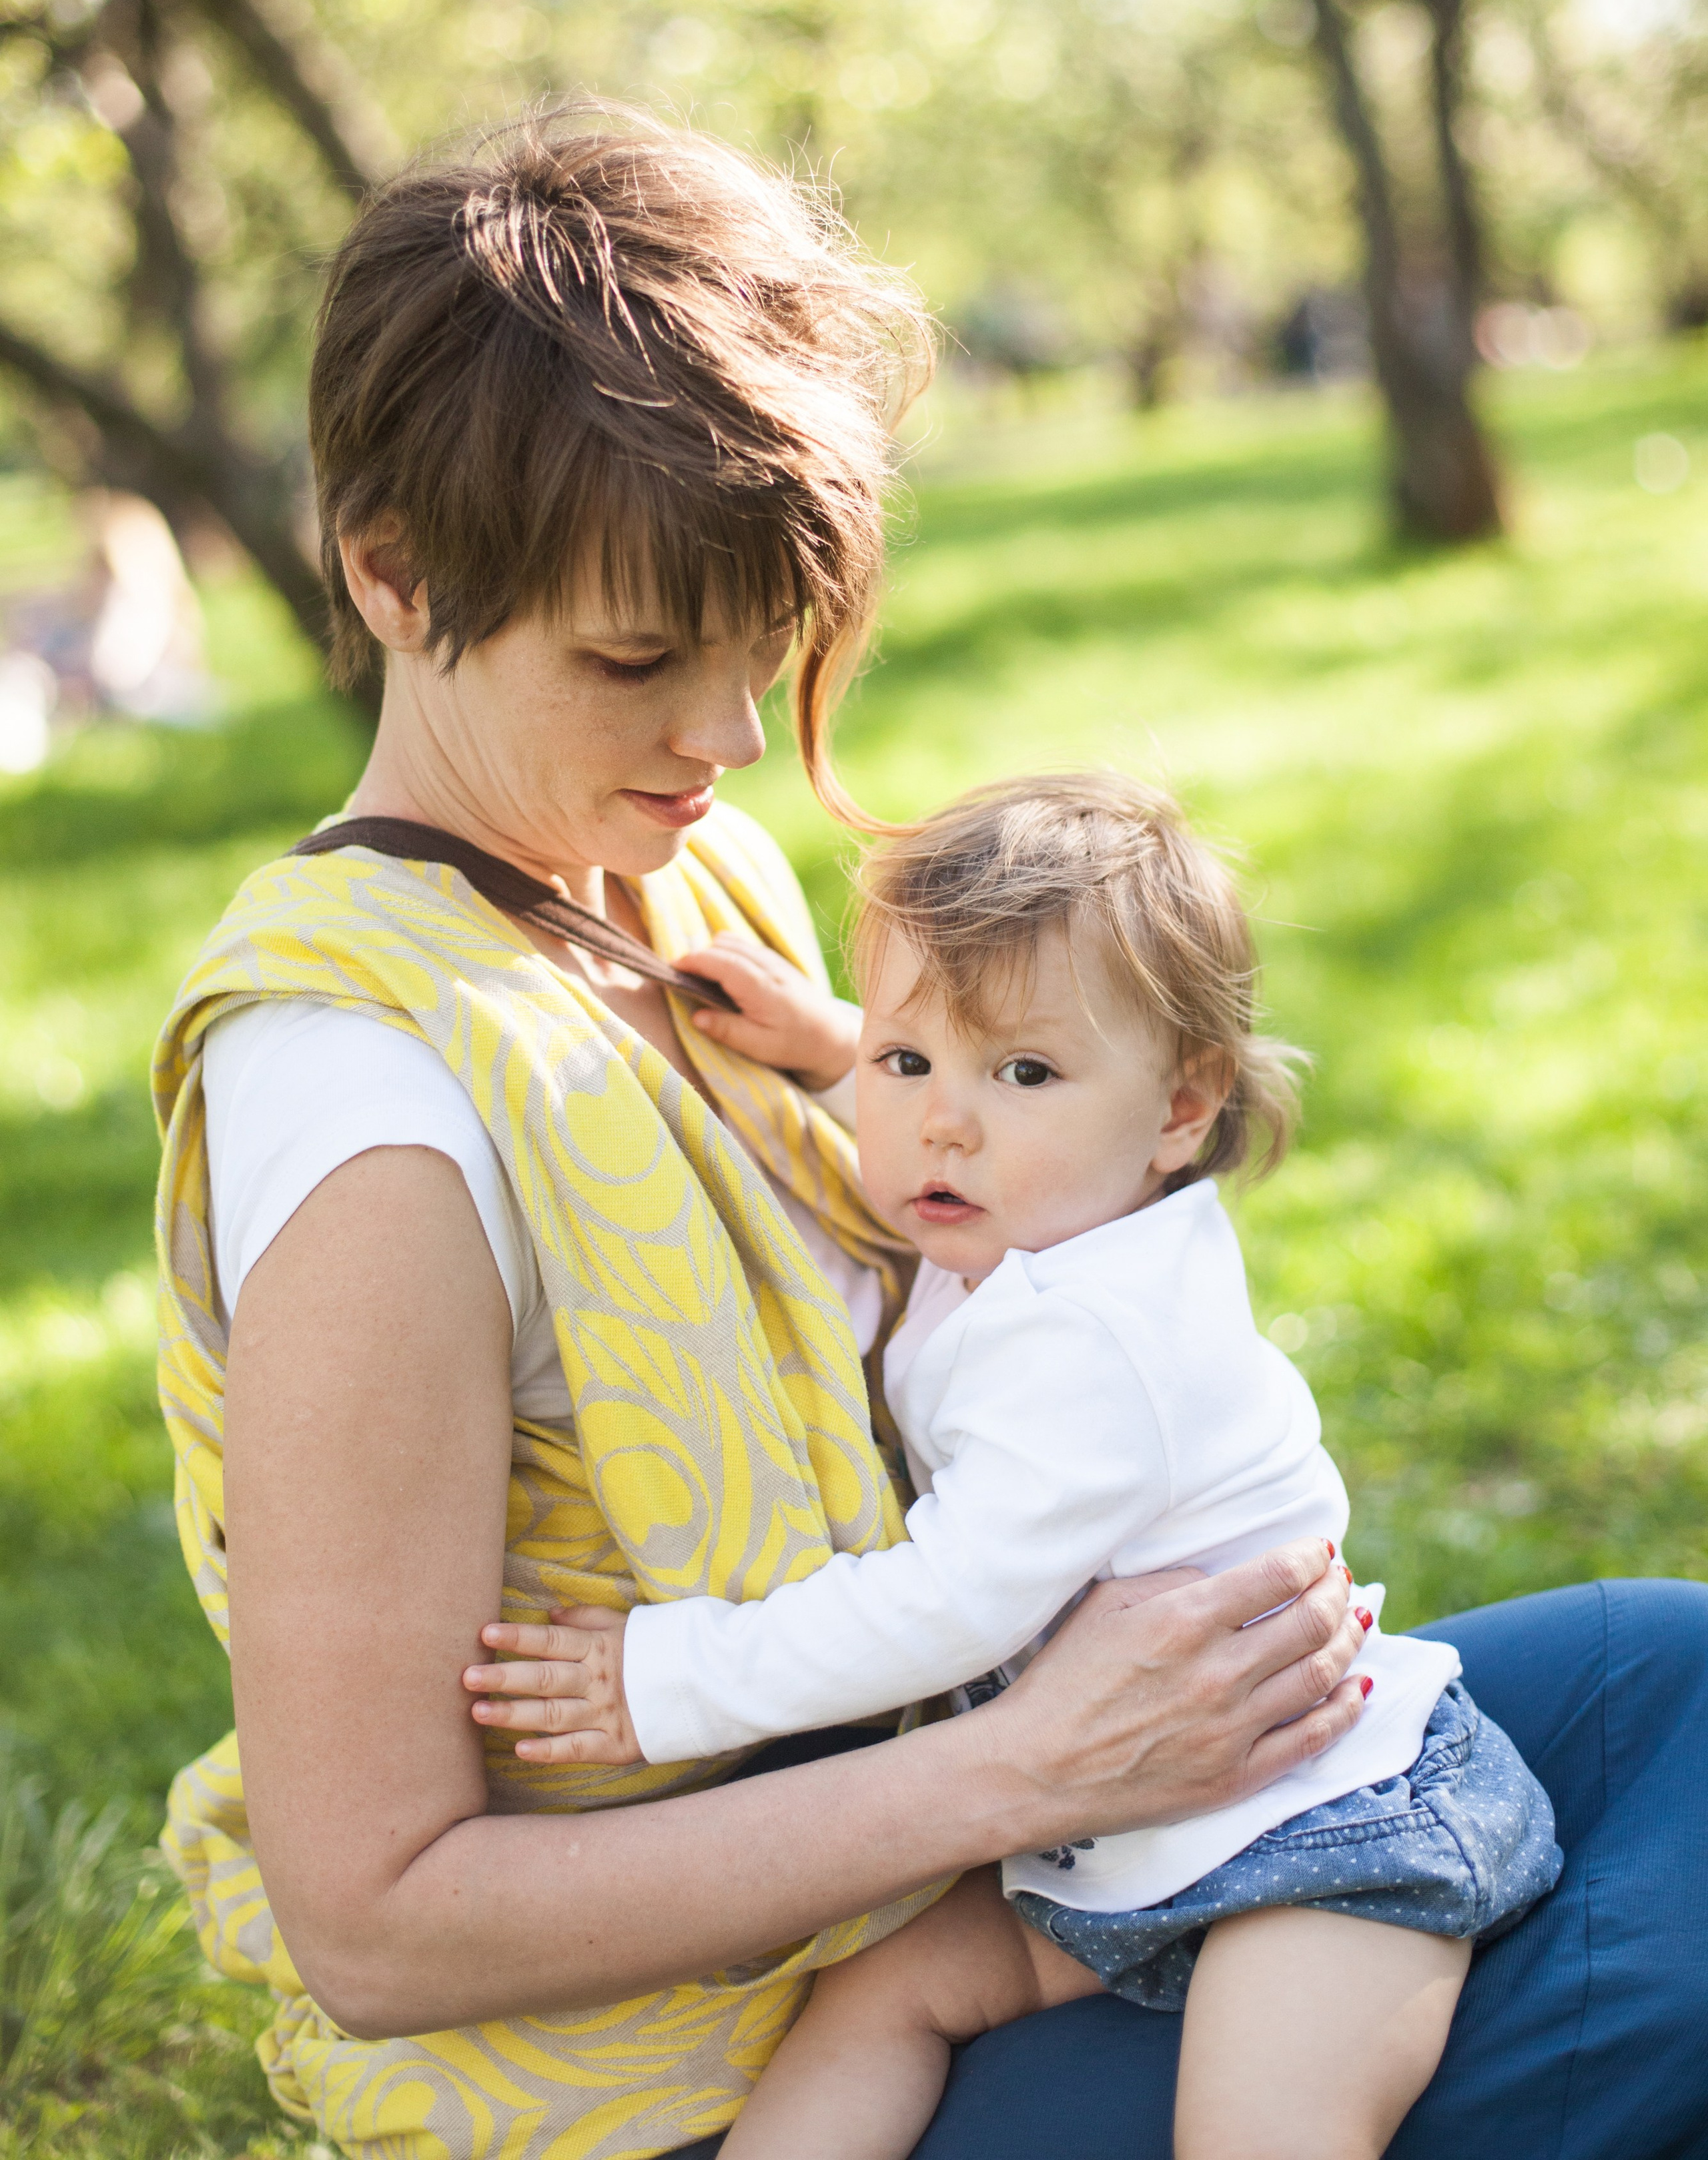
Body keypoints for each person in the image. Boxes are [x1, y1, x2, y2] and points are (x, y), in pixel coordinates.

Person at [149, 107, 1708, 2160]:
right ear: (393, 576)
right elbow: (379, 1921)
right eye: (640, 662)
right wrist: (1026, 1770)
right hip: (733, 2063)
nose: (721, 743)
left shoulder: (683, 892)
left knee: (1668, 1671)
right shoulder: (370, 1121)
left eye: (761, 652)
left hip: (999, 1857)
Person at [462, 773, 1561, 2159]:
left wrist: (661, 1683)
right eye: (906, 1065)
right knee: (873, 2001)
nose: (942, 1124)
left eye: (1021, 1075)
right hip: (1115, 1844)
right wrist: (828, 1045)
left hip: (1324, 1834)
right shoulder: (1041, 1207)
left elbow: (946, 1608)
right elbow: (978, 1072)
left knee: (1257, 2126)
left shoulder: (1094, 1343)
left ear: (1179, 1113)